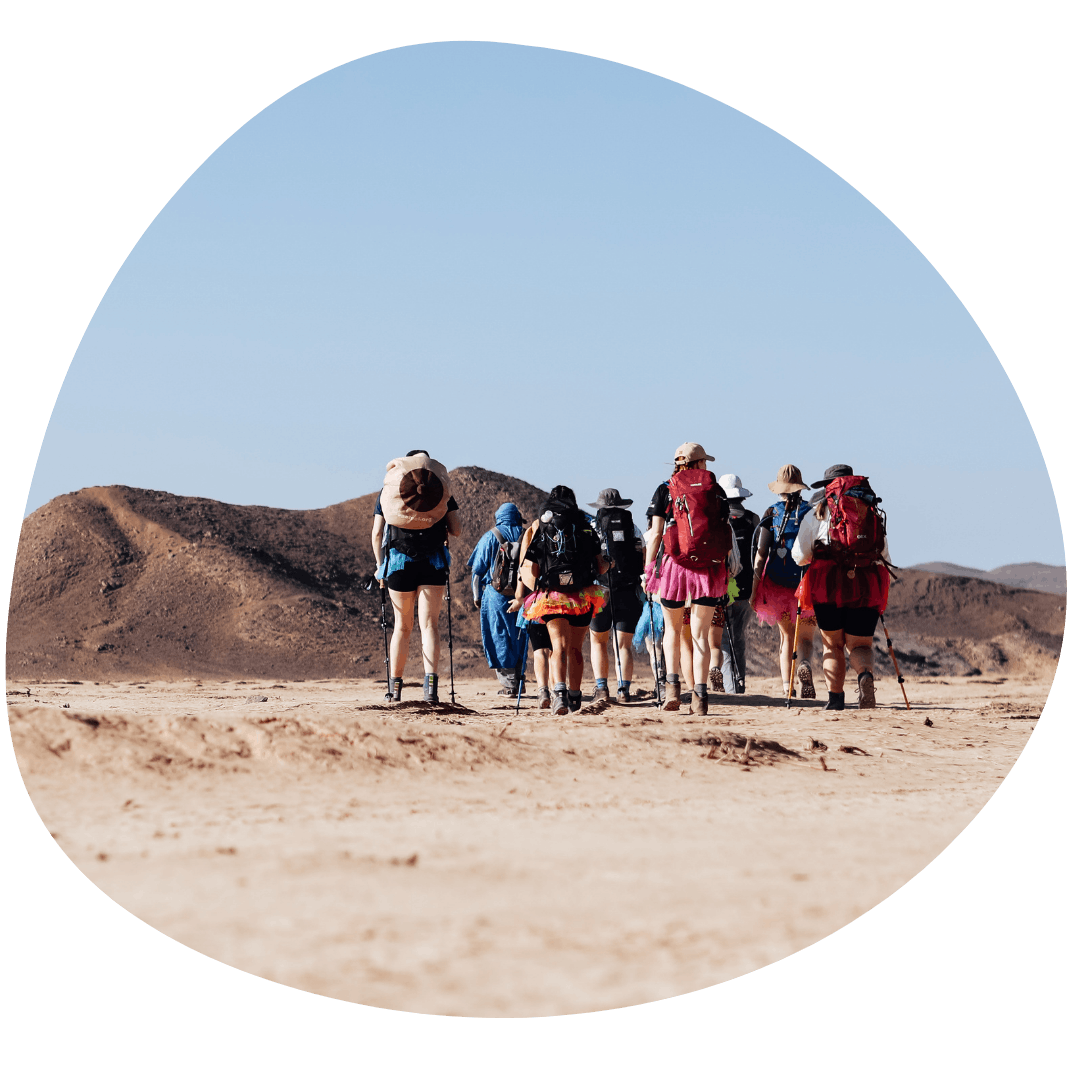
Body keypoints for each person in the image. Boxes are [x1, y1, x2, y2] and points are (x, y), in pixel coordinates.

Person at [643, 443, 739, 715]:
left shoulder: (665, 489)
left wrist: (648, 570)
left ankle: (672, 688)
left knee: (672, 631)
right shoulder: (716, 490)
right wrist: (727, 566)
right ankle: (700, 696)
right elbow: (724, 532)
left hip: (675, 567)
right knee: (701, 634)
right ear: (698, 463)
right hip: (708, 569)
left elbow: (656, 534)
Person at [793, 464, 891, 711]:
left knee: (832, 644)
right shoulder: (871, 512)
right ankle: (864, 676)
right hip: (866, 585)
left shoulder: (817, 513)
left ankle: (836, 699)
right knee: (861, 645)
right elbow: (884, 556)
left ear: (828, 488)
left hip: (827, 584)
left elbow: (799, 555)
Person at [508, 486, 608, 716]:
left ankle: (559, 695)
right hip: (582, 595)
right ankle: (575, 696)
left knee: (558, 647)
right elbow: (601, 565)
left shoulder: (543, 527)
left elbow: (531, 568)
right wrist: (609, 564)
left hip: (552, 595)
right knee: (575, 649)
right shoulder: (584, 525)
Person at [371, 450, 462, 704]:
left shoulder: (388, 492)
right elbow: (456, 530)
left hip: (398, 563)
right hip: (432, 562)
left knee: (401, 626)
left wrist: (380, 567)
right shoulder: (441, 491)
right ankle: (431, 689)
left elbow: (377, 533)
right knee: (430, 625)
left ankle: (395, 690)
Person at [750, 464, 818, 699]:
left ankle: (787, 687)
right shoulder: (811, 511)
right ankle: (805, 663)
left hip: (778, 584)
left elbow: (761, 554)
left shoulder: (771, 513)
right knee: (806, 637)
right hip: (806, 584)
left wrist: (755, 588)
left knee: (786, 637)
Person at [586, 489, 644, 704]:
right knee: (623, 645)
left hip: (599, 591)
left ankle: (601, 688)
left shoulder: (592, 528)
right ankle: (624, 690)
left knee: (598, 641)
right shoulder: (632, 527)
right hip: (627, 590)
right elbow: (642, 555)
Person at [466, 502, 528, 695]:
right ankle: (519, 680)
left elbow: (477, 573)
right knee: (520, 636)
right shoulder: (528, 535)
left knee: (499, 636)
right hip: (523, 596)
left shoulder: (490, 537)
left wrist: (477, 596)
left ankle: (509, 685)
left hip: (495, 597)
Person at [709, 474, 759, 694]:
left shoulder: (717, 519)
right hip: (748, 589)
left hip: (723, 588)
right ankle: (739, 681)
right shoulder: (753, 519)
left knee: (726, 639)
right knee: (738, 636)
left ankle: (732, 686)